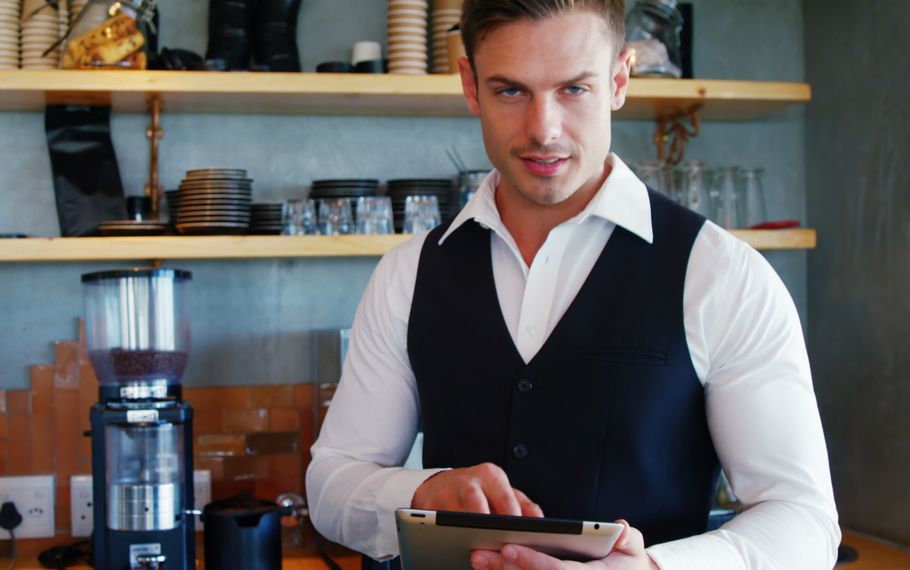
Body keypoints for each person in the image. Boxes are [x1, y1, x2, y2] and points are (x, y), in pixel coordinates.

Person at [307, 1, 840, 568]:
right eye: (511, 91)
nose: (544, 130)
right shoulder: (408, 274)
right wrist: (418, 493)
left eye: (574, 90)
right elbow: (332, 482)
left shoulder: (723, 275)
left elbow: (803, 518)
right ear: (470, 85)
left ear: (618, 79)